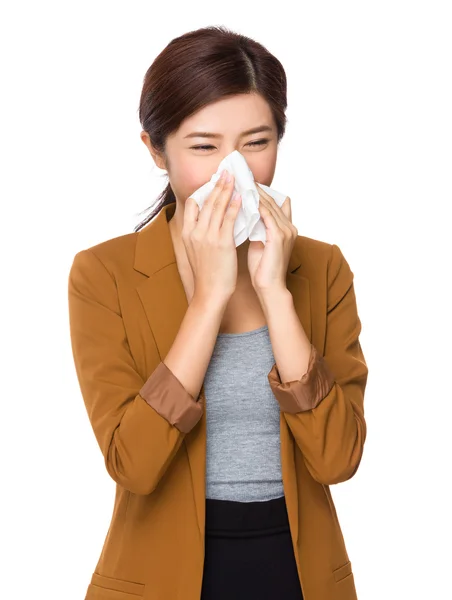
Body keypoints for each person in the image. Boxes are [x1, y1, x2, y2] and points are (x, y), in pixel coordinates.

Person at [68, 25, 368, 600]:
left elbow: (337, 459)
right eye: (204, 148)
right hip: (159, 577)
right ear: (155, 150)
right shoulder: (102, 274)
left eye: (256, 143)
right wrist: (207, 300)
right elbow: (133, 464)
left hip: (298, 574)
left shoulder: (323, 268)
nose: (234, 173)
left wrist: (277, 295)